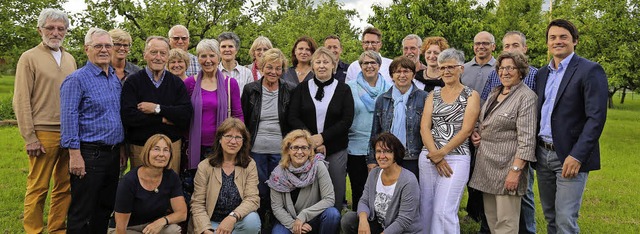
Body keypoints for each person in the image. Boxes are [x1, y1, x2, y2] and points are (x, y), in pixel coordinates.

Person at [535, 19, 607, 234]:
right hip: (542, 154)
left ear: (575, 41)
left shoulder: (590, 70)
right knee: (551, 217)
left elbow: (596, 118)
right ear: (547, 43)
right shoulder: (542, 74)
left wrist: (577, 156)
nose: (558, 41)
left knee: (565, 220)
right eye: (553, 37)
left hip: (569, 156)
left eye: (563, 37)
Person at [13, 8, 76, 234]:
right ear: (40, 29)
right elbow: (21, 99)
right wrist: (29, 137)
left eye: (61, 28)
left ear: (66, 31)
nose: (55, 32)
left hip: (69, 133)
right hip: (42, 133)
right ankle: (34, 230)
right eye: (50, 27)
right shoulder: (29, 58)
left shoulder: (70, 59)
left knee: (64, 186)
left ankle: (57, 228)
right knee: (38, 187)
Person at [60, 27, 124, 234]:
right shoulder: (76, 80)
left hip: (113, 154)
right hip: (89, 154)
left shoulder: (114, 78)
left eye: (107, 46)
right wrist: (75, 155)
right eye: (98, 46)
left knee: (104, 208)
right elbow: (69, 117)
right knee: (82, 211)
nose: (104, 50)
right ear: (87, 49)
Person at [468, 51, 537, 234]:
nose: (505, 72)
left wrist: (515, 172)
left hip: (507, 168)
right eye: (502, 68)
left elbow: (527, 139)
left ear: (520, 71)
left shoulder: (526, 97)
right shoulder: (494, 92)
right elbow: (485, 121)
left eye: (510, 68)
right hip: (487, 167)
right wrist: (477, 131)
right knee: (492, 221)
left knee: (506, 225)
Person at [418, 48, 480, 233]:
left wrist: (442, 153)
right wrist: (435, 155)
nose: (446, 71)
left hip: (457, 157)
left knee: (444, 210)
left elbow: (467, 129)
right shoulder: (433, 95)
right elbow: (424, 127)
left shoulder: (471, 95)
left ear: (461, 68)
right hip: (429, 157)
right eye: (442, 67)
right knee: (427, 209)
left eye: (451, 67)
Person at [288, 47, 354, 211]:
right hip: (306, 149)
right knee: (308, 191)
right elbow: (292, 117)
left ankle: (333, 221)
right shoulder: (301, 89)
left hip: (335, 148)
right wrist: (311, 141)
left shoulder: (344, 89)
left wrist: (324, 139)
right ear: (312, 65)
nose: (322, 65)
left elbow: (346, 121)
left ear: (334, 65)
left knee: (335, 189)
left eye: (326, 62)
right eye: (318, 62)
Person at [183, 39, 244, 203]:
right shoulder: (189, 83)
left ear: (218, 57)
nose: (208, 60)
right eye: (203, 56)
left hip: (221, 147)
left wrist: (239, 140)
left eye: (212, 55)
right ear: (198, 58)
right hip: (194, 147)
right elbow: (182, 114)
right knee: (195, 190)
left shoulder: (230, 84)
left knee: (218, 189)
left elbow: (238, 114)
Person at [121, 36, 193, 174]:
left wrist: (156, 108)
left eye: (163, 53)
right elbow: (129, 116)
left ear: (167, 56)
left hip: (171, 148)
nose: (158, 57)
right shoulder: (133, 82)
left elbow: (185, 114)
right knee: (142, 191)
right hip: (141, 148)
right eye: (153, 52)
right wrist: (163, 119)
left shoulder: (176, 83)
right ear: (145, 55)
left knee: (169, 190)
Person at [241, 48, 294, 229]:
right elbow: (245, 120)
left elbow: (292, 120)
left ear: (282, 70)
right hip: (256, 150)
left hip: (280, 150)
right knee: (260, 190)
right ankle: (260, 224)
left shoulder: (289, 90)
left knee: (278, 189)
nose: (273, 72)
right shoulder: (251, 90)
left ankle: (277, 225)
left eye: (278, 68)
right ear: (262, 67)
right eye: (269, 67)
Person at [341, 133, 422, 234]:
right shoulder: (374, 173)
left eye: (387, 151)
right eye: (378, 151)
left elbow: (403, 221)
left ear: (395, 154)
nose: (382, 156)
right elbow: (364, 201)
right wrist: (363, 220)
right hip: (380, 226)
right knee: (349, 219)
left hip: (402, 231)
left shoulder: (408, 180)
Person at [190, 118, 261, 234]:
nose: (233, 141)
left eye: (238, 137)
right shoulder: (204, 166)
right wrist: (206, 230)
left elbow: (252, 199)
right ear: (219, 139)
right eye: (228, 136)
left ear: (243, 141)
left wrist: (232, 217)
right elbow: (197, 204)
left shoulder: (249, 164)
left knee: (252, 220)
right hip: (212, 223)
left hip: (238, 221)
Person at [267, 129, 340, 234]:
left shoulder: (318, 166)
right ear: (288, 150)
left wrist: (303, 216)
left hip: (314, 219)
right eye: (295, 147)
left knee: (332, 214)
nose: (300, 152)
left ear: (310, 150)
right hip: (288, 221)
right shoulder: (278, 174)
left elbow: (329, 199)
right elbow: (277, 208)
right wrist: (294, 225)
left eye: (304, 148)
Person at [111, 134, 187, 233]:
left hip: (153, 226)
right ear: (147, 152)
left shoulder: (171, 177)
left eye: (166, 150)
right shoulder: (129, 181)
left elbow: (182, 213)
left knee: (173, 230)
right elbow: (120, 229)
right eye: (156, 149)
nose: (161, 154)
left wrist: (161, 221)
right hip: (128, 229)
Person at [346, 50, 392, 210]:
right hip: (356, 146)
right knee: (359, 190)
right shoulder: (349, 88)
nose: (369, 66)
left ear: (379, 65)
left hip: (382, 147)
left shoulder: (389, 88)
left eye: (373, 62)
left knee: (381, 190)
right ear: (360, 66)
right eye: (365, 63)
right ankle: (359, 223)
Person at [370, 56, 427, 178]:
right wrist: (372, 159)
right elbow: (375, 131)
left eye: (406, 71)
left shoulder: (424, 98)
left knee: (411, 192)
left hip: (413, 157)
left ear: (413, 75)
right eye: (398, 72)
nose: (402, 75)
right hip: (387, 156)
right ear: (392, 76)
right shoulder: (382, 99)